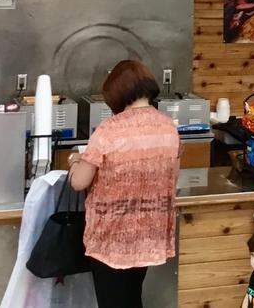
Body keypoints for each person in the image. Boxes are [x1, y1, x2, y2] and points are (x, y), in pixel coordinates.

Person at [68, 60, 180, 308]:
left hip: (112, 237)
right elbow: (173, 175)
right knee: (131, 297)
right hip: (149, 235)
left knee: (114, 301)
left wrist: (74, 160)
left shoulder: (109, 130)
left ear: (116, 93)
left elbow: (79, 182)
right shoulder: (168, 127)